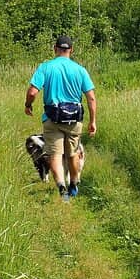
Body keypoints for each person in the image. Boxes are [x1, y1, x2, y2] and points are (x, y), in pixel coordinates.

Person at [25, 35, 97, 201]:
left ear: (55, 48)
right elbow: (91, 98)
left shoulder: (45, 67)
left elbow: (32, 92)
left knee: (55, 154)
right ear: (71, 50)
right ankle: (74, 183)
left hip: (52, 118)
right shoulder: (80, 70)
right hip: (74, 120)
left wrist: (28, 105)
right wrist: (92, 121)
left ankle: (61, 188)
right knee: (72, 154)